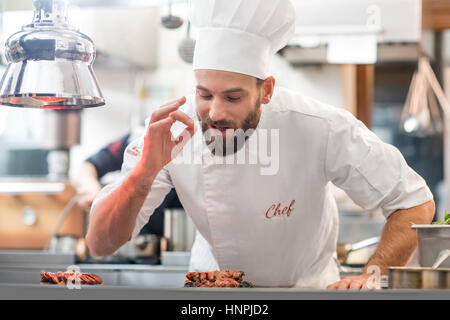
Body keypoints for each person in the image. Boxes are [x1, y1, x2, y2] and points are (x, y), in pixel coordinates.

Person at [86, 0, 435, 289]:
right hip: (214, 298)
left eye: (233, 97)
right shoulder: (172, 130)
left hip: (307, 293)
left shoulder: (320, 126)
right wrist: (143, 174)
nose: (216, 112)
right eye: (204, 94)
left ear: (266, 90)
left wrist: (372, 274)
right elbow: (100, 243)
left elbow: (414, 201)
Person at [70, 133, 182, 237]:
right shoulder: (138, 137)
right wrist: (91, 191)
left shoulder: (192, 145)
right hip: (142, 243)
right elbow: (84, 168)